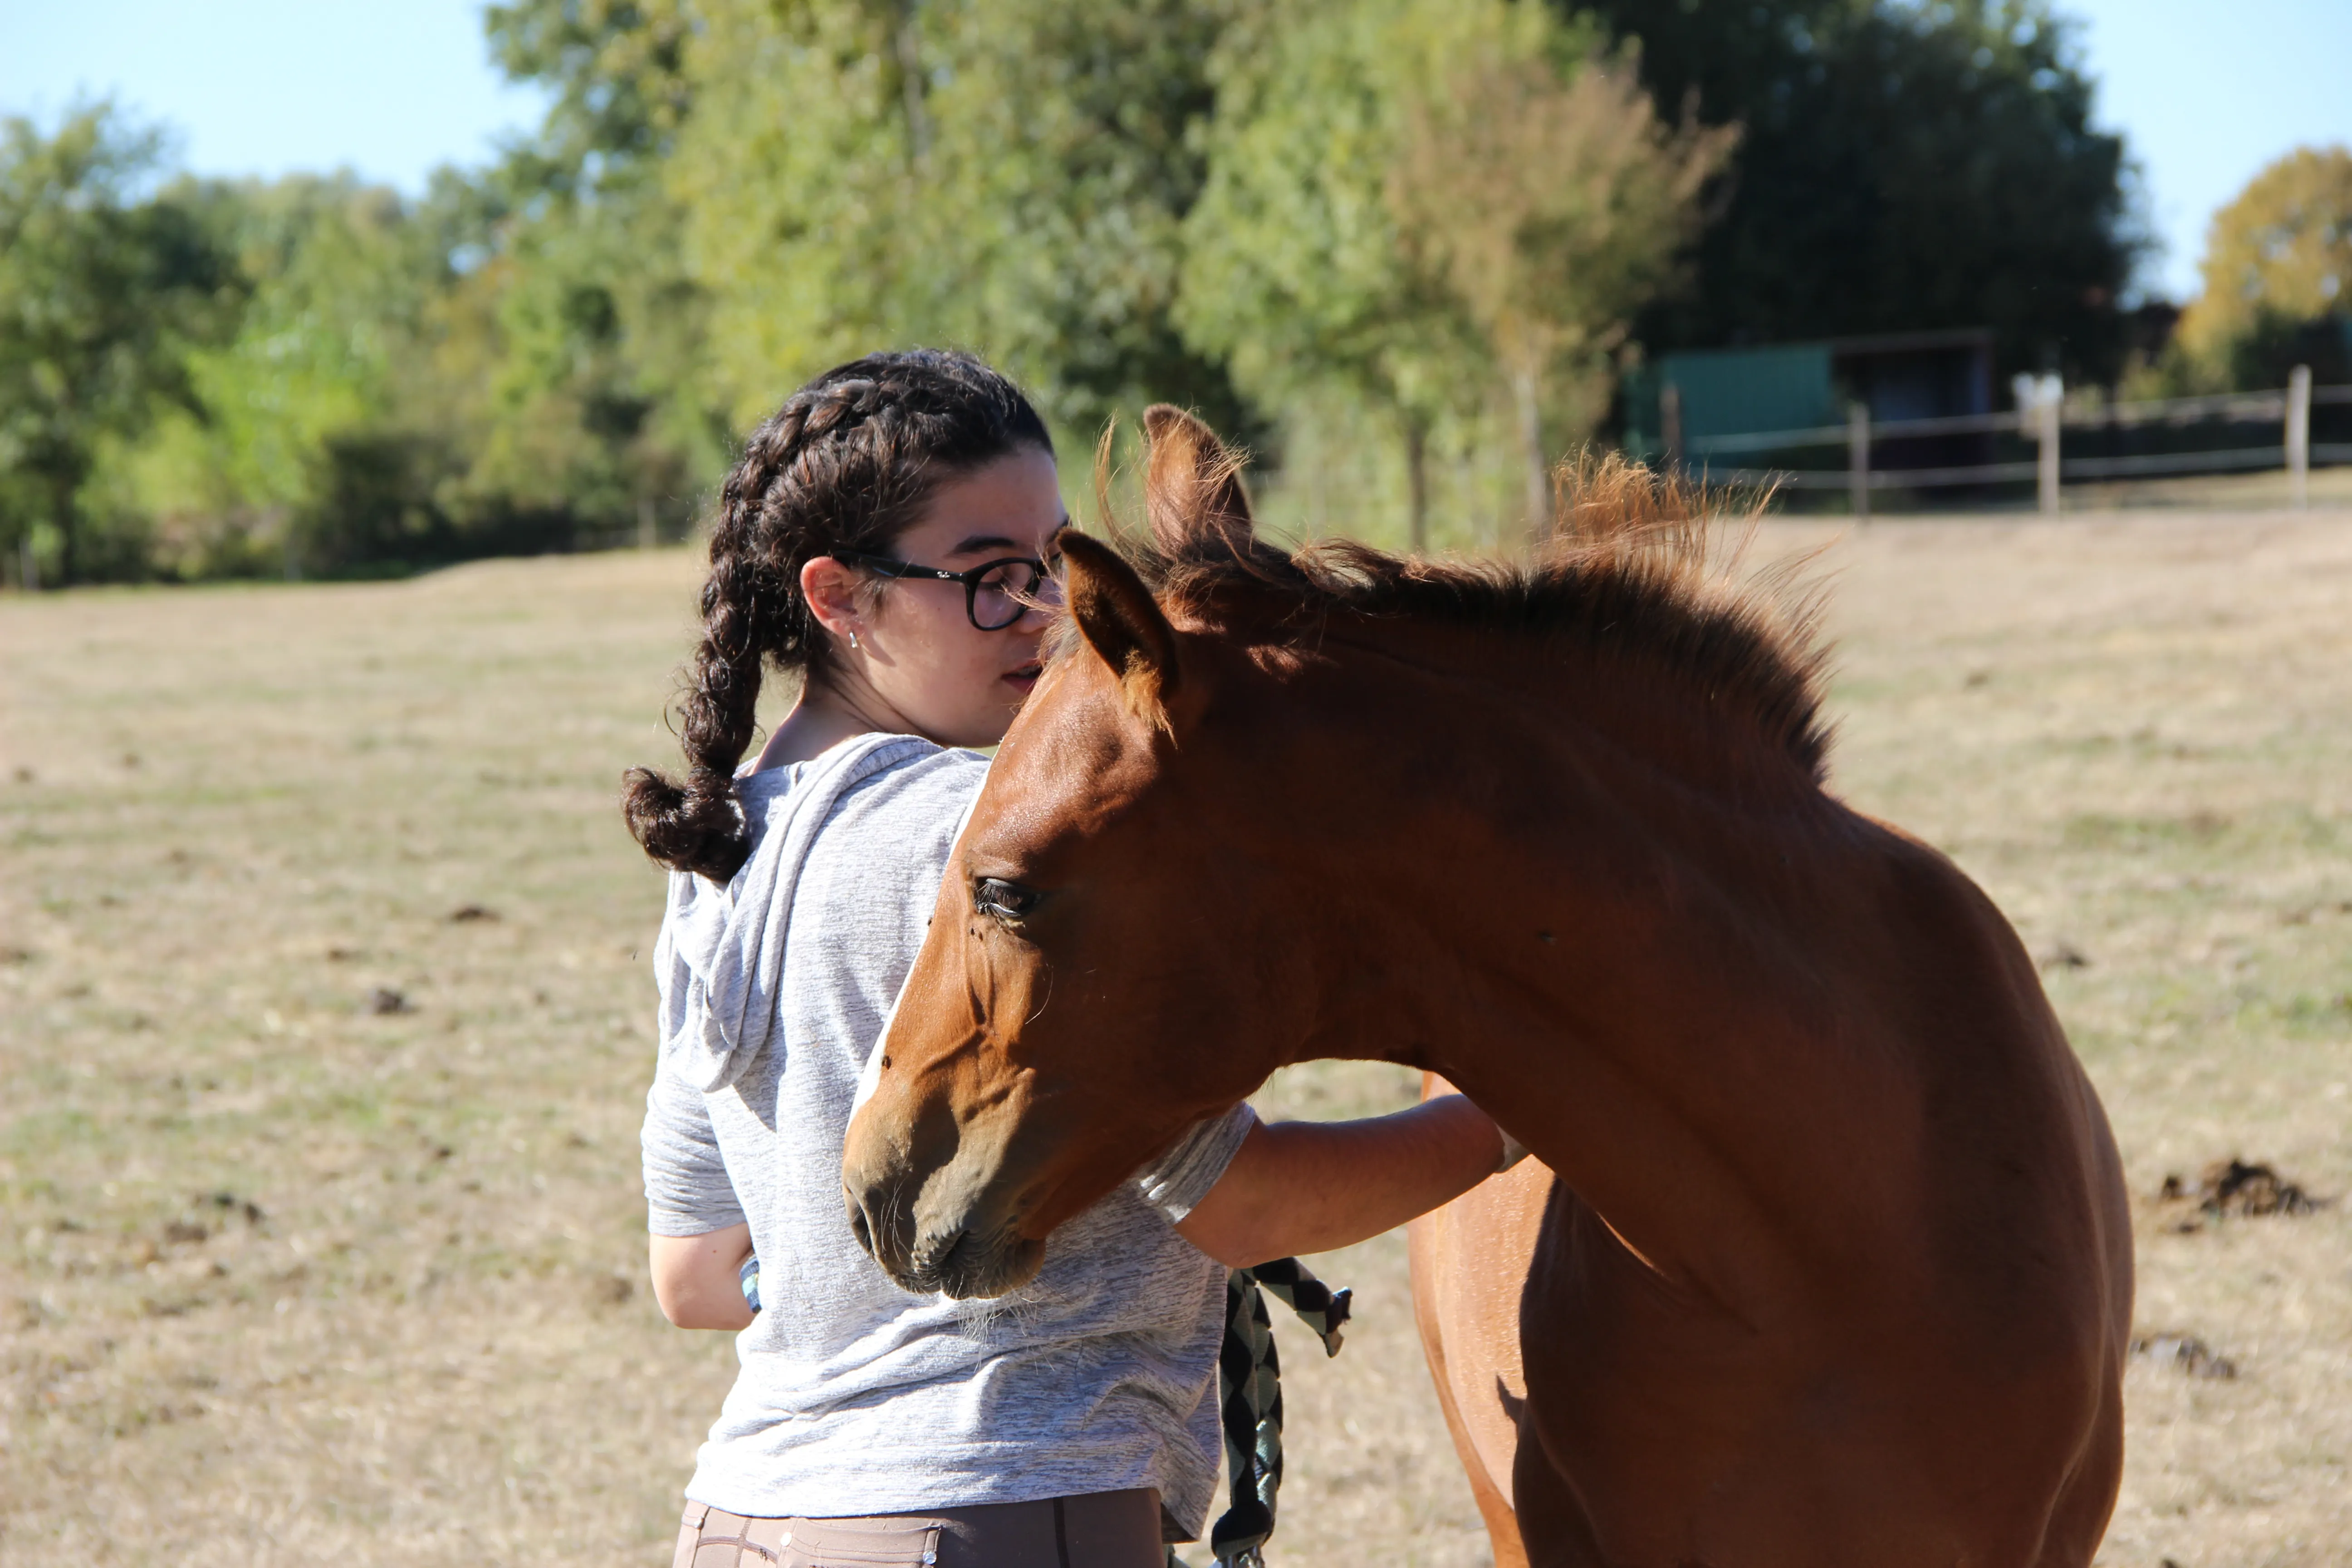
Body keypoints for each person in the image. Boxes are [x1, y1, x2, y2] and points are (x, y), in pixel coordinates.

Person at [626, 349, 1509, 1568]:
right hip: (1000, 1510)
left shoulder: (716, 858)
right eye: (989, 580)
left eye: (1053, 564)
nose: (1046, 616)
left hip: (743, 1522)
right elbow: (1241, 1206)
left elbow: (695, 1274)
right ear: (839, 598)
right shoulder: (986, 848)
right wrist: (1507, 1117)